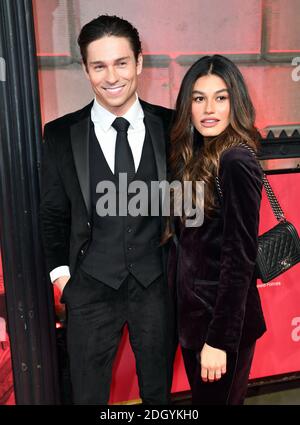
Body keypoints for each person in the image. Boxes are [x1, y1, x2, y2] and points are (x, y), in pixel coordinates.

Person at [40, 14, 175, 405]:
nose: (111, 76)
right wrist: (62, 279)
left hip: (156, 286)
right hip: (90, 287)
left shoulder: (170, 126)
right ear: (85, 69)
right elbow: (52, 213)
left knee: (158, 395)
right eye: (99, 65)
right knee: (86, 395)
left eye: (121, 62)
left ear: (139, 63)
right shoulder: (62, 133)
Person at [166, 55, 266, 405]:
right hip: (197, 323)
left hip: (219, 329)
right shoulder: (197, 155)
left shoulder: (236, 161)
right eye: (199, 98)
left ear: (234, 102)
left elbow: (239, 260)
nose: (209, 108)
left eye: (220, 98)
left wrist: (220, 340)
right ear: (187, 106)